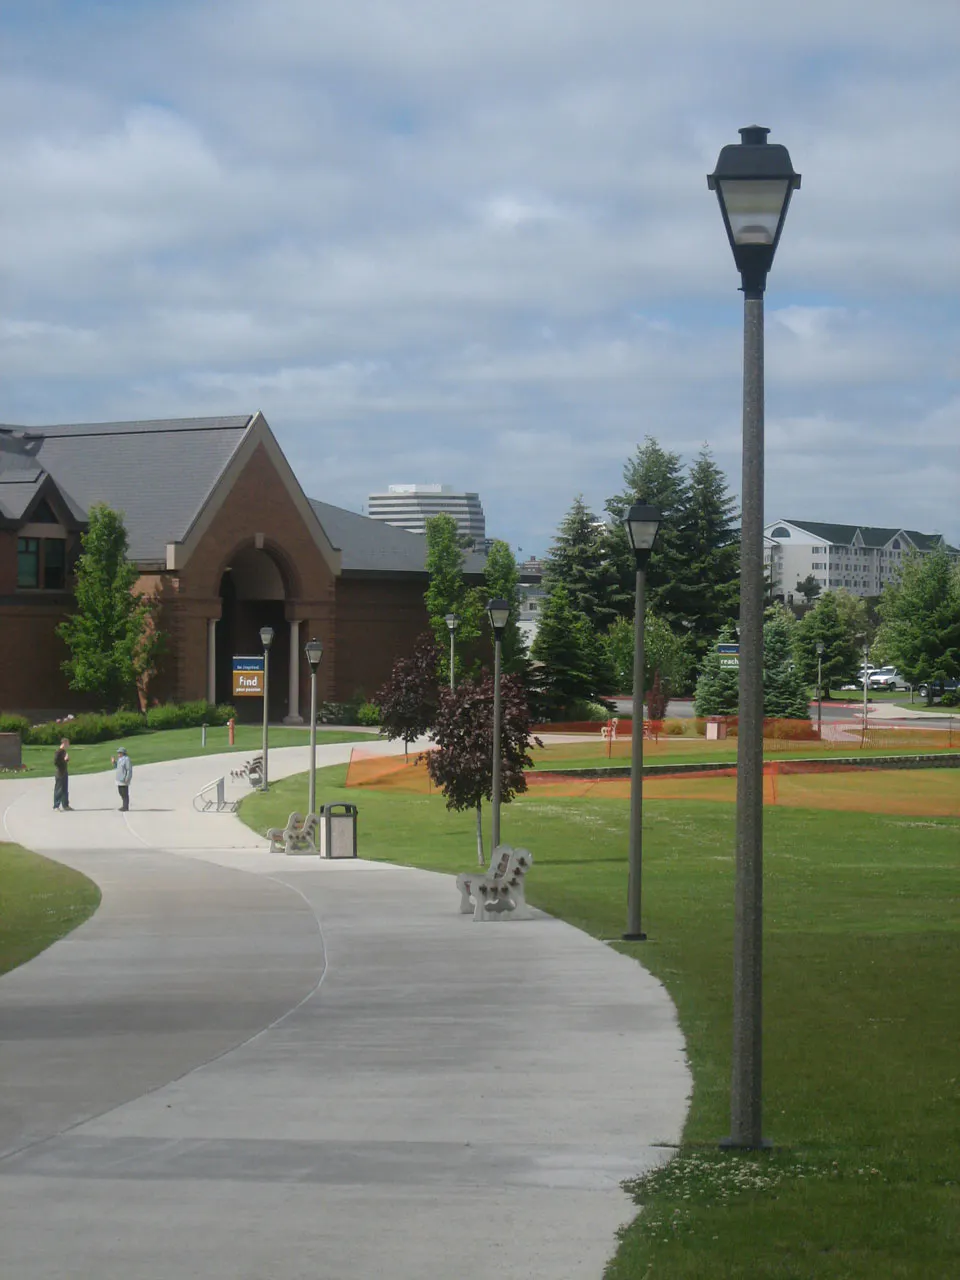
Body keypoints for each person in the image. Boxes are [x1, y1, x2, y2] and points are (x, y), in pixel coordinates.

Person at [53, 738, 72, 811]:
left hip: (64, 772)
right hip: (59, 773)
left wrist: (66, 760)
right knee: (59, 789)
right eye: (67, 743)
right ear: (64, 743)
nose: (68, 745)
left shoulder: (64, 751)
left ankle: (65, 805)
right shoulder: (58, 752)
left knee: (65, 789)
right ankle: (56, 806)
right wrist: (64, 760)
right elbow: (56, 762)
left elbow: (64, 761)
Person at [112, 746, 133, 811]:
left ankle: (125, 806)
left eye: (119, 753)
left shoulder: (126, 759)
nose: (118, 754)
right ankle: (124, 805)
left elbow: (129, 770)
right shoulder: (120, 759)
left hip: (124, 779)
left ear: (123, 753)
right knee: (121, 792)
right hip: (119, 779)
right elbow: (117, 767)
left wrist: (127, 778)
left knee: (125, 793)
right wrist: (114, 762)